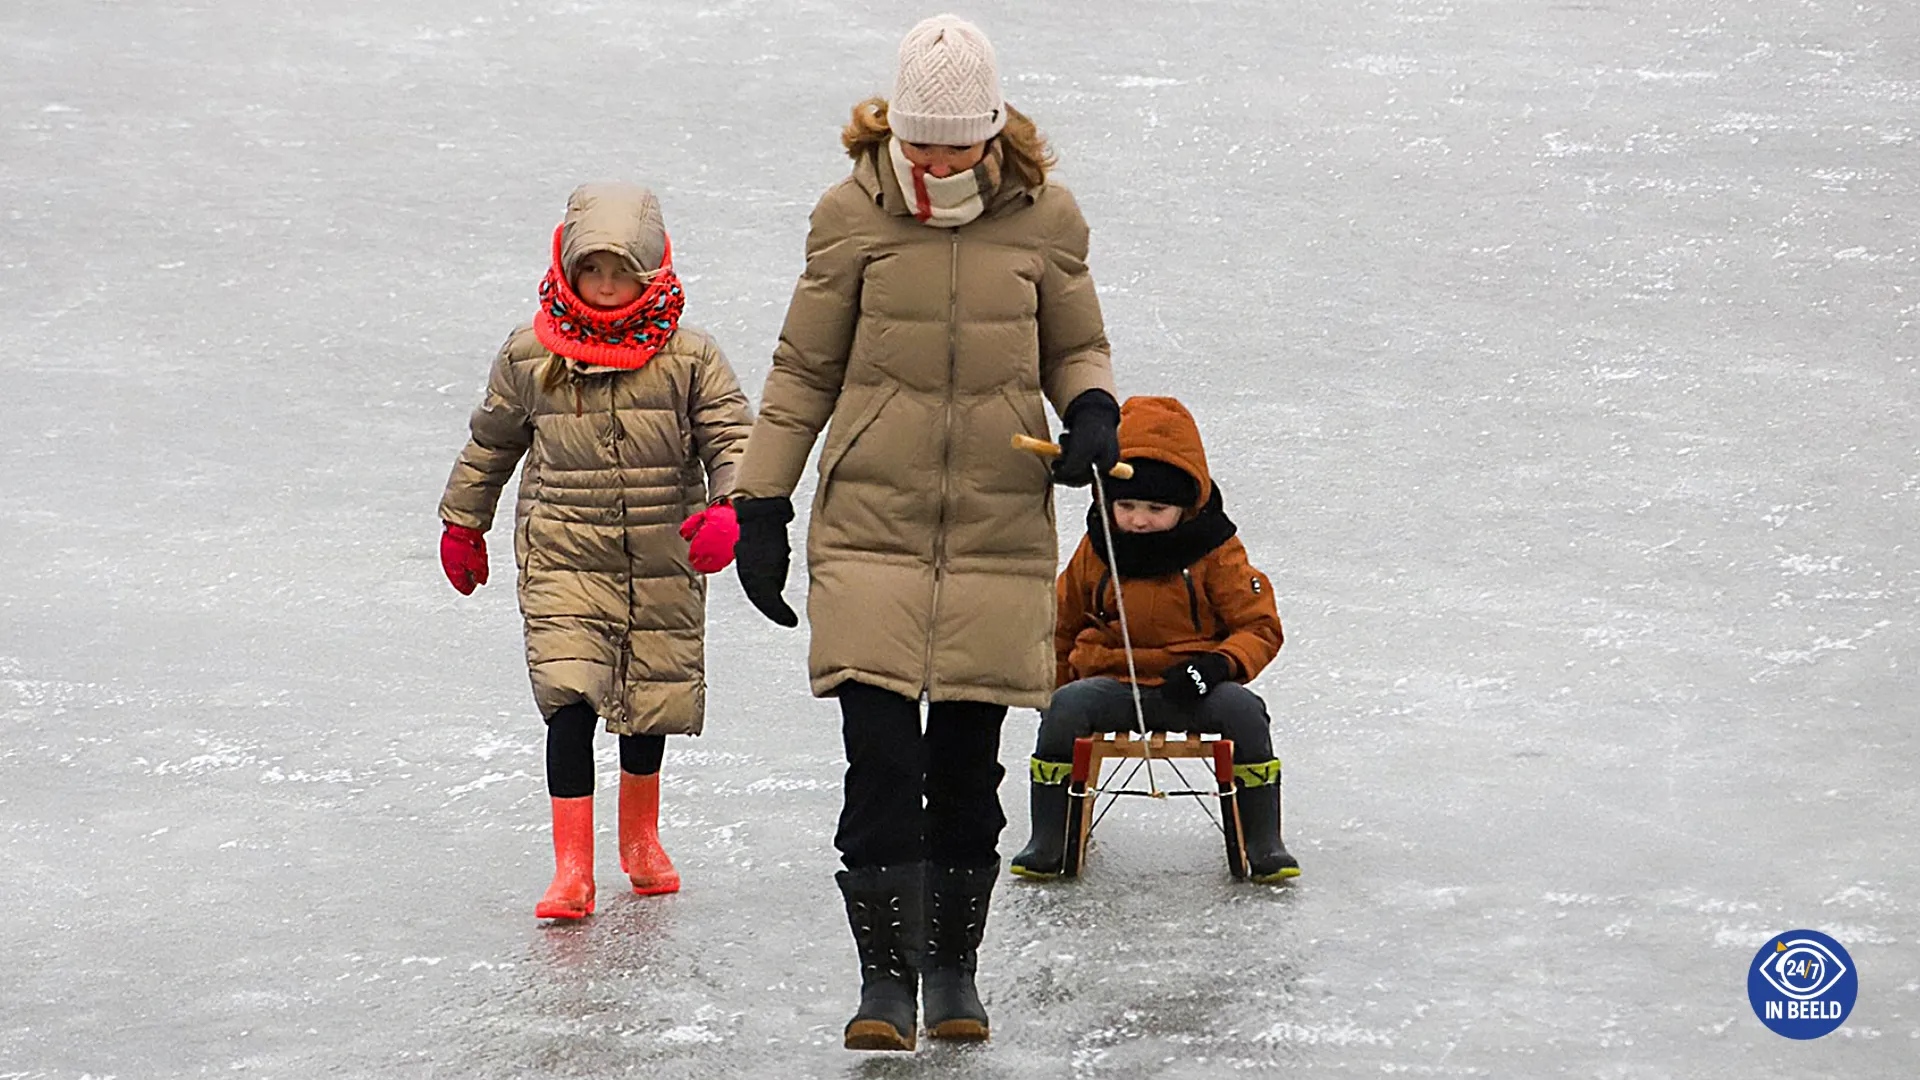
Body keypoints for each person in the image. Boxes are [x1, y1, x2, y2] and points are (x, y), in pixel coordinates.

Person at [728, 14, 1120, 1051]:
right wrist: (760, 503)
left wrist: (1090, 411)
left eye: (956, 143)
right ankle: (882, 984)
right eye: (920, 142)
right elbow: (803, 370)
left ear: (992, 130)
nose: (937, 162)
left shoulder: (1045, 217)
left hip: (996, 525)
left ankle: (952, 973)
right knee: (880, 764)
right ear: (893, 128)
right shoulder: (847, 215)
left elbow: (1076, 346)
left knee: (966, 771)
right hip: (870, 524)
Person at [437, 182, 753, 920]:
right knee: (569, 697)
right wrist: (463, 522)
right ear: (567, 267)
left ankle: (640, 838)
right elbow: (491, 444)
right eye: (592, 271)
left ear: (653, 271)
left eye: (622, 273)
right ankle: (571, 868)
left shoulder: (690, 356)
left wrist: (730, 507)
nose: (606, 287)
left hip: (660, 555)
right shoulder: (530, 355)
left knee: (647, 701)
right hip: (564, 555)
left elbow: (733, 438)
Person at [1010, 396, 1301, 883]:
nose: (1139, 520)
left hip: (1191, 687)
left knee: (1245, 713)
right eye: (1125, 505)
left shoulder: (1216, 551)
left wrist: (1218, 665)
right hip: (1111, 684)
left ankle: (1263, 841)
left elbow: (1260, 626)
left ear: (1185, 507)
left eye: (1156, 508)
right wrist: (1055, 691)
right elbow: (1058, 624)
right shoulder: (1098, 546)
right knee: (1065, 709)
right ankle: (1049, 838)